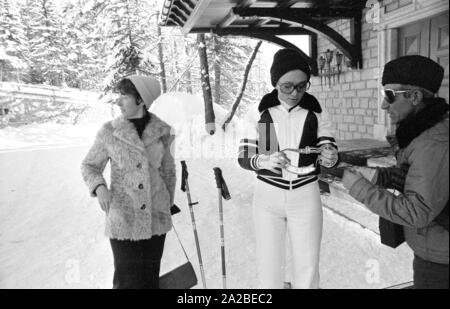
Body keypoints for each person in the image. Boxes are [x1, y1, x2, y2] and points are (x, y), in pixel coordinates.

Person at [342, 55, 449, 289]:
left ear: (415, 96)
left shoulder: (433, 141)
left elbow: (417, 210)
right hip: (276, 195)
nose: (383, 105)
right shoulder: (268, 113)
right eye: (286, 86)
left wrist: (360, 186)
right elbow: (419, 175)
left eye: (389, 95)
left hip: (440, 256)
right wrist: (380, 176)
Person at [238, 48, 339, 289]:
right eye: (287, 86)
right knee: (269, 264)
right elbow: (244, 155)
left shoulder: (315, 111)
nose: (295, 92)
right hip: (268, 195)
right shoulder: (261, 112)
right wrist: (263, 162)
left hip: (305, 193)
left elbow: (328, 145)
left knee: (307, 264)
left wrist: (330, 156)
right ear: (275, 83)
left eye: (302, 86)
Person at [81, 75, 176, 289]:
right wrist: (99, 187)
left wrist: (167, 204)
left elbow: (168, 171)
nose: (118, 101)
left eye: (124, 96)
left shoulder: (164, 132)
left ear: (141, 100)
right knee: (126, 281)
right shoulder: (109, 132)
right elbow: (89, 165)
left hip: (156, 218)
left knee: (150, 280)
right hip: (123, 218)